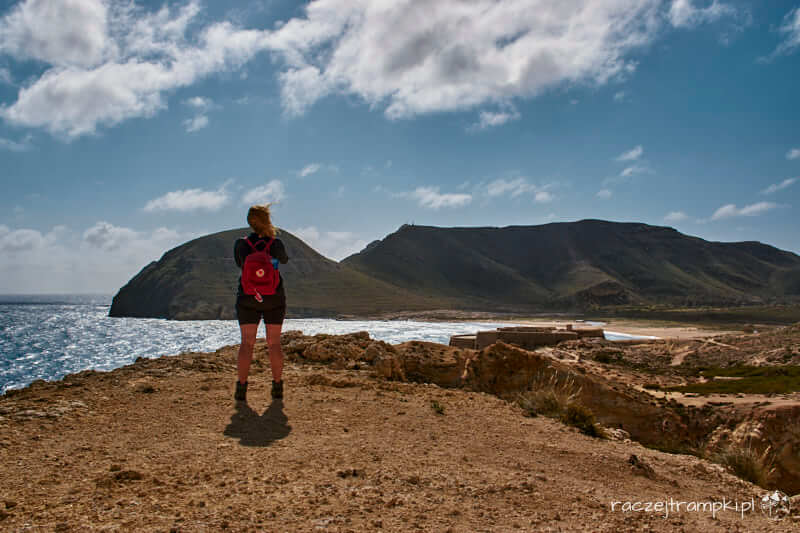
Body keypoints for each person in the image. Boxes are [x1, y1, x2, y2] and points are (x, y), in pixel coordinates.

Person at [233, 204, 289, 402]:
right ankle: (277, 387)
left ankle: (241, 388)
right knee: (274, 343)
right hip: (274, 296)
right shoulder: (276, 243)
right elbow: (284, 260)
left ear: (250, 221)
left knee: (247, 343)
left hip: (248, 297)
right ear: (268, 219)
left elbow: (240, 264)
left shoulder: (241, 244)